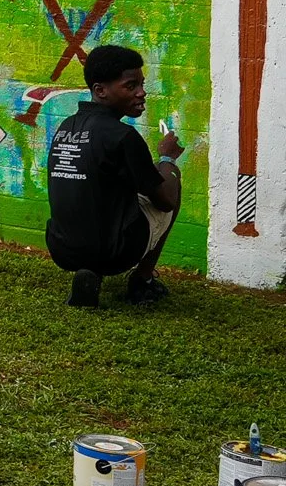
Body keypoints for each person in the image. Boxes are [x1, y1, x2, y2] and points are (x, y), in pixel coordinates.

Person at [46, 43, 184, 308]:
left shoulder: (65, 127)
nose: (142, 93)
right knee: (170, 181)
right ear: (100, 90)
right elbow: (165, 200)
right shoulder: (123, 137)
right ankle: (142, 281)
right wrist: (167, 158)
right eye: (131, 86)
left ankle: (90, 272)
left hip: (62, 248)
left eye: (142, 84)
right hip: (116, 252)